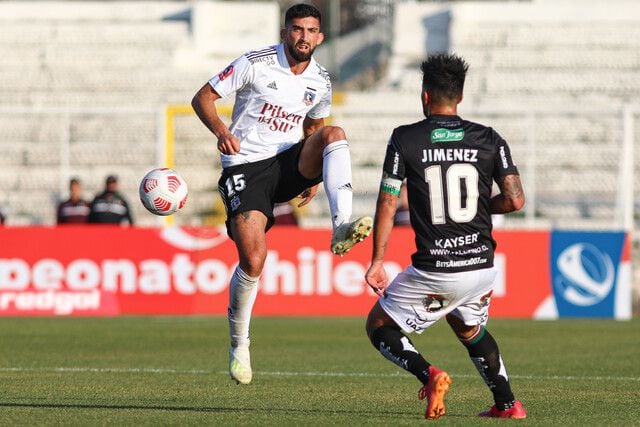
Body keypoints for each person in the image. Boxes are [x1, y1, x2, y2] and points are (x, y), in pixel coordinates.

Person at [191, 3, 372, 385]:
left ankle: (341, 226)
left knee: (334, 135)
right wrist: (223, 132)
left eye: (310, 31)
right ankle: (240, 343)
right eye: (296, 29)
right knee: (254, 259)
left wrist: (315, 174)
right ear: (284, 31)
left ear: (320, 37)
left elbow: (316, 124)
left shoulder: (321, 80)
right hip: (246, 167)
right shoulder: (255, 62)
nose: (303, 37)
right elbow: (202, 98)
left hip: (288, 162)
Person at [364, 54, 527, 420]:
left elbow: (388, 202)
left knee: (377, 324)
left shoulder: (405, 139)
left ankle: (430, 374)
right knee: (468, 327)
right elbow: (516, 200)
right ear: (461, 97)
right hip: (480, 267)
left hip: (436, 269)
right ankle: (508, 405)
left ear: (425, 96)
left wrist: (377, 260)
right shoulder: (490, 139)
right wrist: (481, 208)